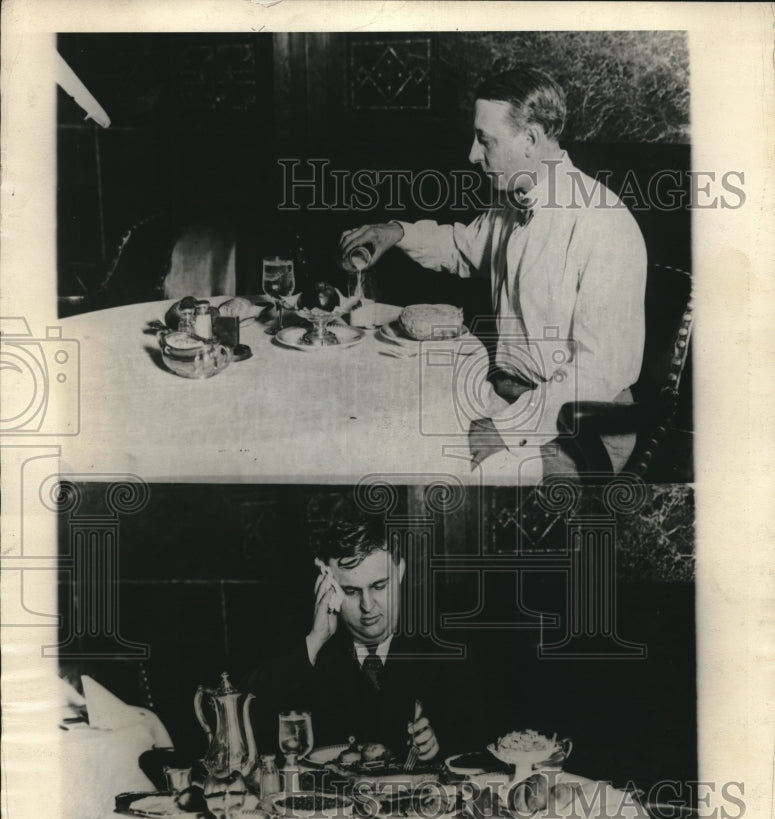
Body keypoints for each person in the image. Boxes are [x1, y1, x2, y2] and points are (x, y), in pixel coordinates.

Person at [339, 66, 647, 482]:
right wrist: (395, 232)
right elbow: (461, 248)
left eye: (485, 140)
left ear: (531, 139)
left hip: (581, 430)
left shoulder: (602, 223)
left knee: (433, 468)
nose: (472, 154)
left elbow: (600, 373)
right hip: (509, 396)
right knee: (386, 429)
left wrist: (506, 429)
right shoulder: (515, 203)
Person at [244, 497, 490, 760]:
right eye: (351, 591)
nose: (367, 606)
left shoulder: (444, 641)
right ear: (328, 585)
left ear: (400, 571)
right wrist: (315, 641)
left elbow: (477, 738)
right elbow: (248, 718)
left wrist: (438, 745)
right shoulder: (307, 641)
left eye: (379, 586)